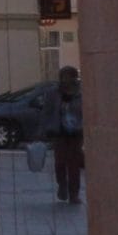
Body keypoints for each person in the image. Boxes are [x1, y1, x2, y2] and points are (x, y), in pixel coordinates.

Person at [38, 65, 84, 204]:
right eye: (64, 77)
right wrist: (43, 129)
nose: (66, 80)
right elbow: (47, 111)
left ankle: (74, 193)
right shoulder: (53, 92)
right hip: (59, 132)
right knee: (60, 162)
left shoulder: (81, 92)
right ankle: (62, 185)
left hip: (76, 132)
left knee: (74, 164)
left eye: (69, 76)